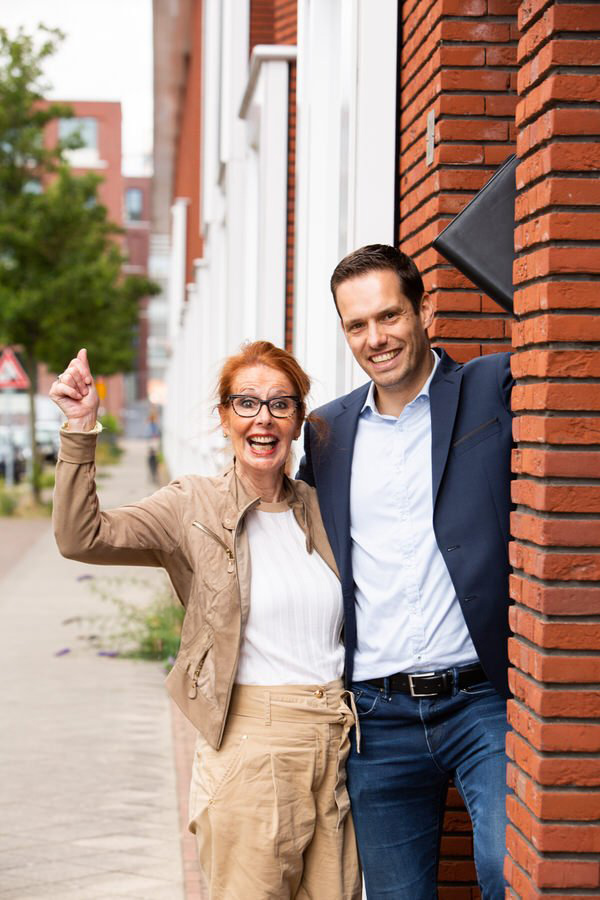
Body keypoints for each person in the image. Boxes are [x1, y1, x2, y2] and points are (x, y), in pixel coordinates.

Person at [50, 342, 361, 900]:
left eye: (280, 404)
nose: (262, 418)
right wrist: (80, 432)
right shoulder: (191, 504)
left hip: (335, 740)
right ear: (223, 417)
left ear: (297, 421)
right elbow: (82, 536)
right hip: (251, 741)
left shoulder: (321, 507)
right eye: (245, 403)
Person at [298, 244, 513, 899]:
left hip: (484, 702)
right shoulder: (327, 432)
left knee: (512, 864)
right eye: (356, 325)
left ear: (425, 309)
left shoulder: (491, 389)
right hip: (378, 716)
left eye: (388, 316)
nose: (375, 338)